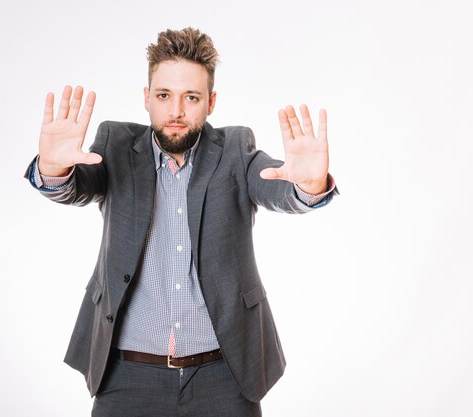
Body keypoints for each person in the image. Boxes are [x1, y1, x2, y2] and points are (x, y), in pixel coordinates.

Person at [24, 27, 337, 417]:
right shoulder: (115, 145)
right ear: (146, 98)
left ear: (211, 102)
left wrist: (309, 185)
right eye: (163, 95)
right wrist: (54, 167)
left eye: (191, 97)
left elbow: (278, 186)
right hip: (126, 376)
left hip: (224, 376)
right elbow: (75, 186)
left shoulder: (236, 151)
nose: (176, 111)